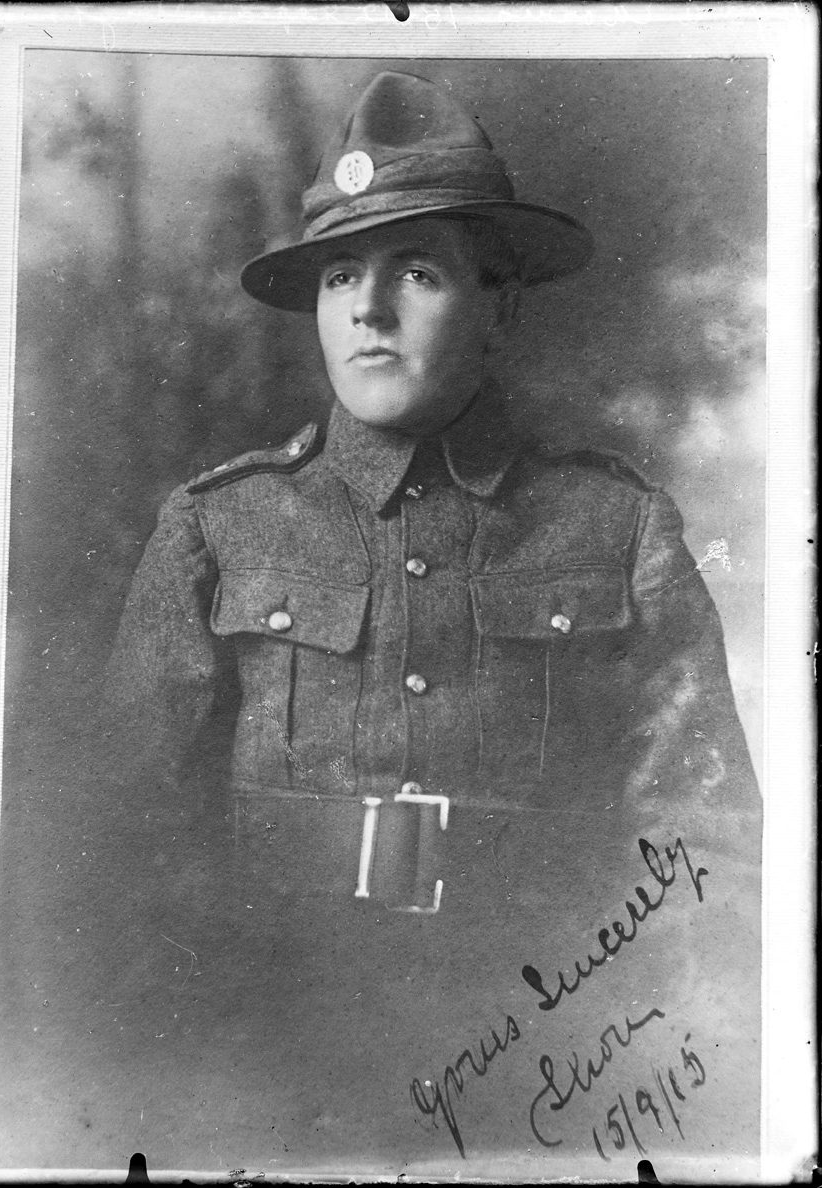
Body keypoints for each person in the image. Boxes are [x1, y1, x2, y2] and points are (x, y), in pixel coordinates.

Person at [102, 72, 761, 1166]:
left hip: (536, 1065)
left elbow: (705, 858)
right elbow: (124, 846)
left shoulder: (616, 526)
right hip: (266, 1057)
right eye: (340, 276)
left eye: (415, 271)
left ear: (499, 305)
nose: (367, 309)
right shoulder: (218, 527)